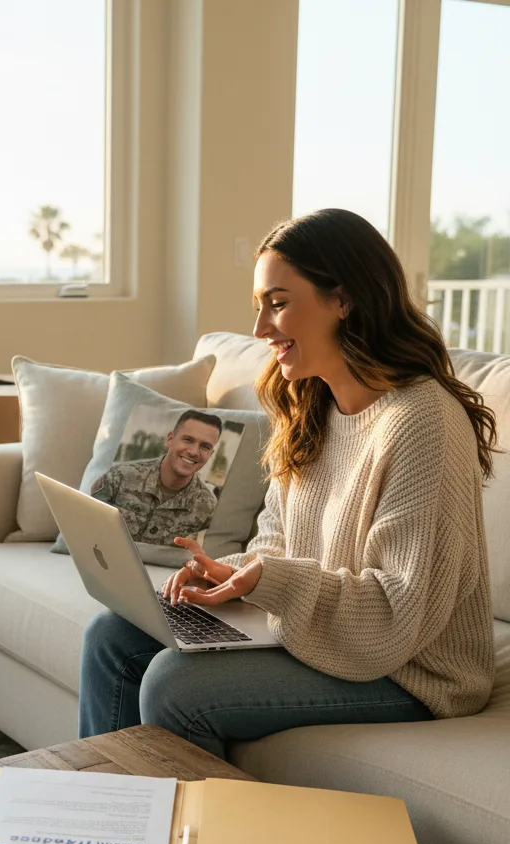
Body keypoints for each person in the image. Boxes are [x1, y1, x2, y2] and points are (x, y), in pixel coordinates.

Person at [78, 208, 498, 758]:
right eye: (260, 306)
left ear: (343, 300)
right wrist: (230, 575)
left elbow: (396, 614)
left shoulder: (422, 423)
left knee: (174, 686)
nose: (260, 330)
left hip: (410, 669)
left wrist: (266, 581)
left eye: (277, 304)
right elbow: (275, 542)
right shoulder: (310, 404)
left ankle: (185, 817)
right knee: (111, 636)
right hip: (318, 633)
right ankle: (109, 802)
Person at [90, 410, 222, 545]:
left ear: (210, 454)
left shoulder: (208, 508)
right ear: (170, 439)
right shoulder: (119, 477)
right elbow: (86, 524)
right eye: (188, 440)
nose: (193, 452)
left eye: (205, 447)